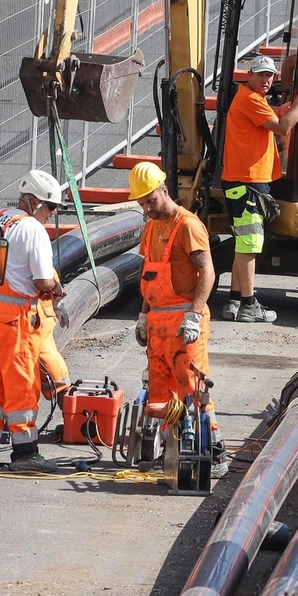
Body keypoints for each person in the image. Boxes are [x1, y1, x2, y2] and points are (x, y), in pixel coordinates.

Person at [0, 170, 67, 473]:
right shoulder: (32, 228)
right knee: (21, 381)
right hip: (14, 317)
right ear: (35, 202)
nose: (51, 215)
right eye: (51, 208)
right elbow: (40, 279)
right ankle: (25, 452)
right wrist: (56, 288)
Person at [127, 163, 222, 460]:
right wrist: (144, 314)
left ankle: (212, 451)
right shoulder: (152, 226)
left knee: (192, 390)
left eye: (150, 201)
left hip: (183, 321)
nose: (147, 208)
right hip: (158, 322)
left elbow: (207, 272)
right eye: (142, 203)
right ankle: (170, 453)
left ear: (164, 190)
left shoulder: (188, 225)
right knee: (159, 392)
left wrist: (194, 315)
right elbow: (149, 274)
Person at [220, 54, 298, 322]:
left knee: (243, 245)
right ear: (249, 76)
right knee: (250, 245)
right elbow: (284, 126)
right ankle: (249, 305)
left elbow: (269, 117)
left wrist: (280, 108)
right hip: (247, 183)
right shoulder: (251, 99)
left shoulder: (252, 99)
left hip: (243, 182)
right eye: (261, 74)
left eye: (270, 75)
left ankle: (234, 300)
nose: (266, 80)